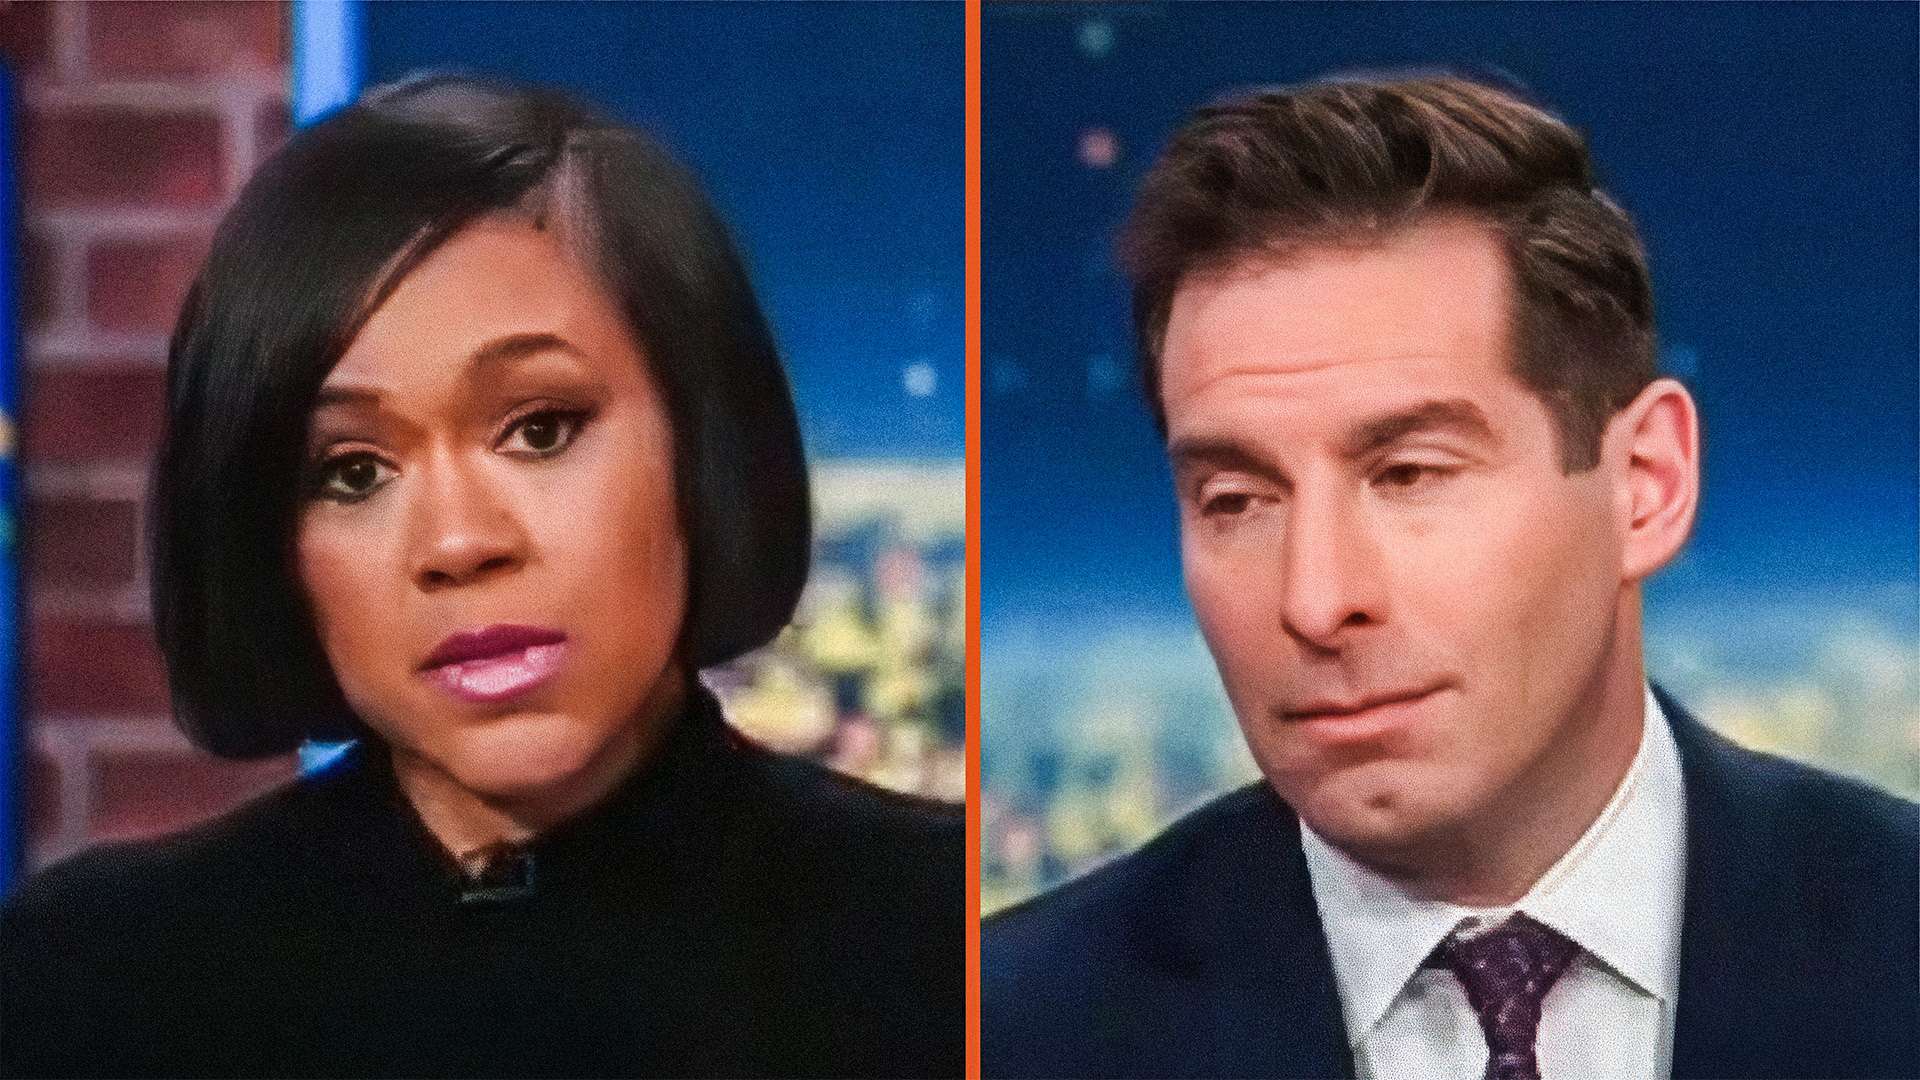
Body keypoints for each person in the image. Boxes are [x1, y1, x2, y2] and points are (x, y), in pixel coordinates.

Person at [1, 75, 961, 1079]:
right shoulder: (92, 984)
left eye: (540, 429)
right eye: (353, 473)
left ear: (701, 442)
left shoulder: (944, 949)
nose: (459, 542)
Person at [982, 75, 1916, 1080]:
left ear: (1645, 487)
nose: (1315, 601)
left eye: (1410, 475)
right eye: (1238, 500)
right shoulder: (1012, 1027)